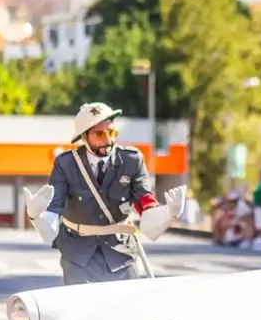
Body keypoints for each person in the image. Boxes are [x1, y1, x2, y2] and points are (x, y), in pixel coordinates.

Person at [23, 102, 186, 284]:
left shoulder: (131, 160)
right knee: (80, 303)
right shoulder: (66, 164)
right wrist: (35, 216)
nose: (108, 140)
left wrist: (168, 213)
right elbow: (52, 219)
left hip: (121, 253)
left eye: (112, 133)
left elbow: (146, 210)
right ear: (84, 136)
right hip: (78, 256)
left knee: (129, 301)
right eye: (100, 134)